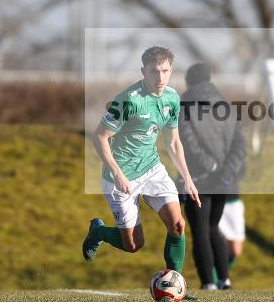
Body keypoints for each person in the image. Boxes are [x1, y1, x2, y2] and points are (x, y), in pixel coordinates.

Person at [82, 46, 201, 289]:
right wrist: (117, 172)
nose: (160, 78)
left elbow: (173, 142)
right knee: (133, 245)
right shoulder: (129, 100)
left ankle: (175, 284)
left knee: (178, 225)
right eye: (154, 71)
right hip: (121, 176)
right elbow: (100, 137)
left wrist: (187, 177)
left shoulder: (171, 98)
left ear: (171, 71)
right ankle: (98, 232)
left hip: (152, 168)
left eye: (165, 71)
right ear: (143, 71)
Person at [179, 63, 247, 290]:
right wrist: (226, 171)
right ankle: (224, 279)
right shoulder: (227, 106)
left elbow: (187, 142)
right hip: (223, 181)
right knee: (213, 228)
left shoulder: (184, 107)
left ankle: (208, 282)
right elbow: (240, 145)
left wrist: (211, 166)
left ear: (189, 82)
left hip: (199, 179)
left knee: (200, 232)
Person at [219, 195, 246, 270]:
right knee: (214, 245)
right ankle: (215, 279)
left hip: (233, 202)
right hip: (213, 202)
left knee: (236, 250)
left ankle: (223, 274)